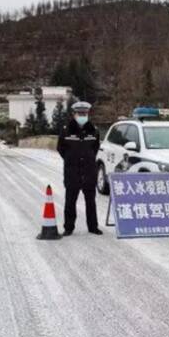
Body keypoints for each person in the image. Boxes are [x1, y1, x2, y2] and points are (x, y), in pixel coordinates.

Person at [57, 101, 103, 236]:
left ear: (88, 114)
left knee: (91, 202)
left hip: (89, 172)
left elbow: (95, 148)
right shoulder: (66, 130)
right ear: (74, 114)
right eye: (79, 113)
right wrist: (71, 159)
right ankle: (69, 227)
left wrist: (88, 159)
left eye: (85, 113)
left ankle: (93, 227)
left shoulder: (94, 130)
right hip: (72, 172)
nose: (82, 115)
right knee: (70, 202)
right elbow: (61, 148)